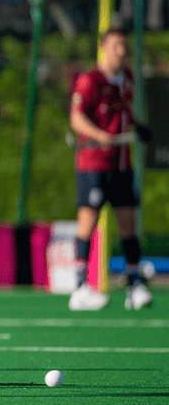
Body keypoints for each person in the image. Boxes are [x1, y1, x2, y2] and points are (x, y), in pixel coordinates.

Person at [68, 28, 153, 311]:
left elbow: (125, 112)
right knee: (88, 222)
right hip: (94, 164)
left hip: (121, 163)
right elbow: (76, 119)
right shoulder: (90, 80)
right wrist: (99, 134)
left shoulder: (126, 78)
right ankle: (80, 286)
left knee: (128, 223)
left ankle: (134, 285)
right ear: (103, 47)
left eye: (123, 45)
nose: (121, 50)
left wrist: (138, 125)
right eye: (115, 45)